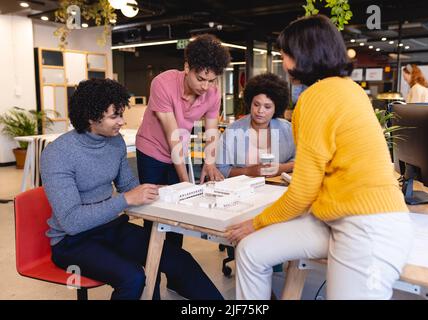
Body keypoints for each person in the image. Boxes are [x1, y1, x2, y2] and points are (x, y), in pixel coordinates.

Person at [227, 15, 413, 300]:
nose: (282, 58)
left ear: (304, 54)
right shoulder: (349, 88)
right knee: (252, 251)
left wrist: (256, 222)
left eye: (286, 52)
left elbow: (302, 191)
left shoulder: (315, 97)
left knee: (251, 241)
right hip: (337, 219)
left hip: (368, 227)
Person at [40, 79, 223, 300]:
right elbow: (72, 221)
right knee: (134, 278)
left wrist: (162, 191)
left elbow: (128, 186)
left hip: (110, 227)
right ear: (91, 117)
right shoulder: (57, 153)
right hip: (72, 242)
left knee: (179, 259)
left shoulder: (114, 142)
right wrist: (126, 199)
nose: (122, 122)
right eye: (114, 116)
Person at [135, 34, 231, 252]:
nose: (206, 86)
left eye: (211, 80)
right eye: (201, 79)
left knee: (178, 212)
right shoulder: (163, 83)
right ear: (187, 67)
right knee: (155, 212)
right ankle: (153, 275)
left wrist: (209, 162)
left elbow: (212, 129)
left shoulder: (213, 94)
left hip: (179, 149)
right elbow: (173, 136)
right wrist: (186, 182)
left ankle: (175, 269)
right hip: (152, 150)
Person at [216, 73, 295, 178]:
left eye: (267, 107)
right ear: (250, 103)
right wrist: (249, 171)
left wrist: (281, 168)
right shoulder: (232, 130)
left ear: (276, 108)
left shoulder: (287, 129)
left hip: (277, 189)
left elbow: (300, 161)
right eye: (256, 104)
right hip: (242, 191)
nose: (260, 111)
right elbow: (221, 169)